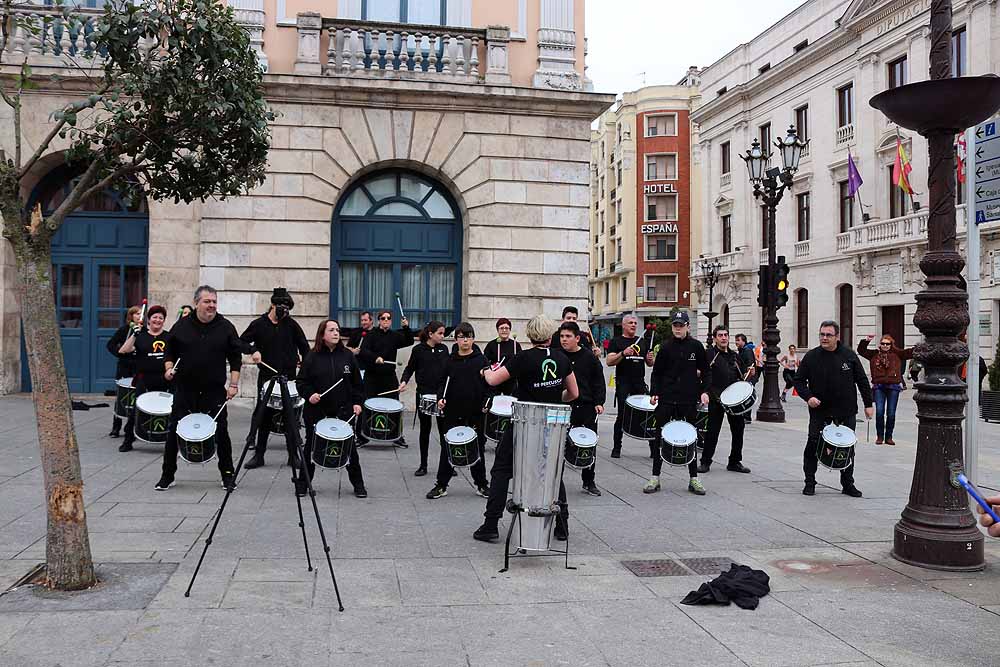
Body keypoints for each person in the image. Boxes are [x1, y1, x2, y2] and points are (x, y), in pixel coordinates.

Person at [475, 315, 579, 542]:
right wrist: (553, 396)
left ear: (530, 335)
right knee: (551, 472)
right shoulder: (562, 359)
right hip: (551, 425)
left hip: (525, 423)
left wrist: (484, 371)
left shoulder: (523, 358)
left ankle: (491, 524)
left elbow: (493, 380)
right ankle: (562, 526)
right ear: (550, 335)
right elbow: (573, 394)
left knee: (502, 470)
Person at [157, 286, 242, 491]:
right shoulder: (181, 326)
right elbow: (169, 352)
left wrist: (233, 385)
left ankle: (227, 475)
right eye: (207, 301)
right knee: (174, 431)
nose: (211, 305)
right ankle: (167, 475)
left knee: (221, 432)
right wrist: (168, 370)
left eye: (214, 301)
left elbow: (235, 358)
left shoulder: (226, 327)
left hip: (214, 390)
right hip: (185, 389)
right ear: (196, 303)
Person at [793, 320, 874, 498]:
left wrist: (868, 404)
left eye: (828, 335)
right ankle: (809, 482)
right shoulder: (812, 357)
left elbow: (862, 380)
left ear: (837, 337)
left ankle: (847, 484)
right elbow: (798, 380)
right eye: (822, 334)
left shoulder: (849, 355)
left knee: (847, 448)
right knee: (813, 444)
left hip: (846, 410)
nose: (824, 338)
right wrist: (808, 397)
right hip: (819, 410)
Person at [239, 288, 311, 469]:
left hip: (288, 377)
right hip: (267, 377)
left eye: (287, 309)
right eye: (281, 307)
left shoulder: (292, 325)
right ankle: (259, 455)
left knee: (290, 417)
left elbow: (304, 347)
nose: (284, 312)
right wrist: (253, 350)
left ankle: (293, 456)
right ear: (272, 305)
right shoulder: (258, 324)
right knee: (264, 415)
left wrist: (306, 365)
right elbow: (241, 341)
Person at [296, 319, 367, 498]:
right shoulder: (312, 356)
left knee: (350, 449)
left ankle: (358, 485)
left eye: (337, 330)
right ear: (322, 334)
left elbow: (357, 383)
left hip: (343, 410)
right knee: (310, 448)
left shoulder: (348, 356)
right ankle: (303, 484)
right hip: (317, 411)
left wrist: (357, 403)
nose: (336, 333)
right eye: (332, 330)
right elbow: (301, 382)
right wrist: (310, 394)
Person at [644, 311, 710, 495]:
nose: (678, 329)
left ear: (688, 327)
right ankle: (655, 477)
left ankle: (694, 478)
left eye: (681, 325)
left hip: (688, 399)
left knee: (691, 438)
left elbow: (706, 371)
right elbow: (656, 373)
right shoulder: (665, 347)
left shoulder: (696, 347)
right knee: (660, 437)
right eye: (675, 325)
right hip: (666, 398)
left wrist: (704, 391)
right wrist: (654, 392)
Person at [426, 322, 491, 500]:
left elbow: (489, 385)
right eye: (462, 336)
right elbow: (441, 383)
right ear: (456, 339)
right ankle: (441, 485)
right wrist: (440, 398)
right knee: (448, 447)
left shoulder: (481, 360)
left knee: (477, 448)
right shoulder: (449, 360)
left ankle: (482, 484)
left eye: (469, 336)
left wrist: (487, 401)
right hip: (453, 411)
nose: (465, 340)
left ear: (473, 339)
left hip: (475, 411)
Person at [559, 321, 606, 496]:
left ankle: (589, 481)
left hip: (586, 406)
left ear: (577, 338)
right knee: (560, 445)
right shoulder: (557, 356)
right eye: (562, 336)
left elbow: (598, 382)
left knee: (588, 444)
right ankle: (557, 480)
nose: (564, 340)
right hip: (564, 407)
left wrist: (599, 402)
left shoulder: (589, 358)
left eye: (568, 336)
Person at [117, 305, 172, 453]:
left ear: (164, 321)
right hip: (144, 380)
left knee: (171, 411)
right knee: (136, 411)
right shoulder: (140, 336)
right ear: (148, 319)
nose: (157, 320)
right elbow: (123, 350)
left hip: (165, 380)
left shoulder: (169, 337)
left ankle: (171, 442)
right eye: (155, 317)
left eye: (161, 318)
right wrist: (134, 335)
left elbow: (174, 356)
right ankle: (128, 440)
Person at [399, 321, 449, 476]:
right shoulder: (418, 350)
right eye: (440, 333)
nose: (443, 336)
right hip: (424, 393)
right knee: (425, 430)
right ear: (430, 334)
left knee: (443, 431)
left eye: (443, 333)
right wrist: (404, 381)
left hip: (441, 395)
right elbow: (409, 368)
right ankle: (423, 464)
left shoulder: (444, 349)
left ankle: (446, 464)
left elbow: (448, 370)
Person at [356, 309, 414, 445]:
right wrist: (375, 358)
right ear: (379, 320)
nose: (386, 320)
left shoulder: (395, 336)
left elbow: (409, 341)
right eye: (383, 318)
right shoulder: (371, 335)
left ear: (391, 321)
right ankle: (361, 437)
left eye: (388, 318)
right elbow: (363, 351)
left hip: (389, 376)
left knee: (395, 406)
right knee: (365, 405)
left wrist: (406, 327)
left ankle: (397, 436)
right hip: (372, 376)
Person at [699, 325, 751, 474]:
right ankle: (705, 462)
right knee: (712, 431)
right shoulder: (709, 354)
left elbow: (741, 377)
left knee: (738, 430)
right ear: (715, 338)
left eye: (726, 335)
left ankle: (734, 462)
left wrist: (750, 374)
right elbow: (702, 375)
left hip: (733, 400)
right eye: (720, 335)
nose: (723, 338)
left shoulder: (735, 356)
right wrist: (704, 392)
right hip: (716, 398)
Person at [606, 314, 654, 458]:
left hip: (639, 383)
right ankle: (616, 448)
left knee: (648, 414)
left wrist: (650, 359)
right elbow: (609, 361)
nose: (634, 325)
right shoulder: (616, 341)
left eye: (635, 323)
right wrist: (623, 353)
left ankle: (652, 448)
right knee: (622, 415)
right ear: (623, 325)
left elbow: (649, 363)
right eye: (630, 323)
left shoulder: (643, 342)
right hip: (624, 382)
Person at [857, 333, 913, 446]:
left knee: (891, 413)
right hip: (879, 387)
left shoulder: (897, 354)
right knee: (879, 412)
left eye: (888, 344)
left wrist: (922, 346)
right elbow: (861, 351)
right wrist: (866, 340)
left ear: (891, 344)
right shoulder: (874, 354)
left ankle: (889, 437)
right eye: (883, 343)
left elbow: (909, 352)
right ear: (880, 344)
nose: (885, 346)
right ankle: (880, 436)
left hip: (893, 387)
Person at [106, 305, 142, 437]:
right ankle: (116, 427)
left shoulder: (144, 331)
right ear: (131, 316)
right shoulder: (124, 330)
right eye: (136, 314)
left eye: (140, 314)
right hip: (125, 367)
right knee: (122, 397)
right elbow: (110, 344)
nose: (139, 316)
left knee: (138, 397)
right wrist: (120, 353)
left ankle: (134, 427)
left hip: (138, 367)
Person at [483, 318, 522, 395]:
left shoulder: (515, 345)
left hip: (511, 380)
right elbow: (485, 361)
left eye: (506, 328)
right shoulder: (491, 345)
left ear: (510, 330)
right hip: (496, 379)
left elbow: (520, 361)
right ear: (497, 330)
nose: (504, 330)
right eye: (501, 328)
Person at [734, 334, 758, 424]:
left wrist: (747, 376)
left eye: (738, 340)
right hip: (746, 378)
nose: (736, 342)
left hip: (749, 378)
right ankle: (745, 416)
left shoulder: (747, 351)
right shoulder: (742, 350)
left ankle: (747, 417)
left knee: (746, 397)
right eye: (736, 340)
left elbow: (750, 365)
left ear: (743, 341)